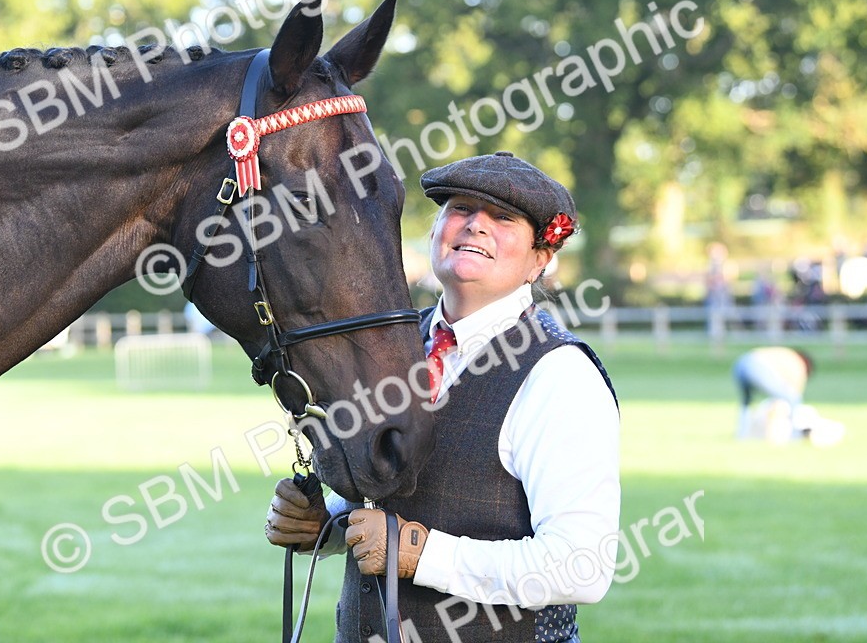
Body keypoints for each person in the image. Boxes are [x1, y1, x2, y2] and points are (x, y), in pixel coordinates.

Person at [266, 152, 620, 643]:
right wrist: (324, 525)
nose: (475, 224)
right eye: (461, 208)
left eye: (503, 217)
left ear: (540, 259)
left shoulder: (560, 374)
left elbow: (581, 568)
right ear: (435, 231)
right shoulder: (389, 346)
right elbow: (386, 498)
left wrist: (418, 553)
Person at [732, 346, 814, 442]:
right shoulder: (799, 365)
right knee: (793, 398)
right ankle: (794, 434)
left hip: (741, 363)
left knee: (746, 402)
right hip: (757, 365)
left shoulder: (787, 354)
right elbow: (795, 393)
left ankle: (742, 435)